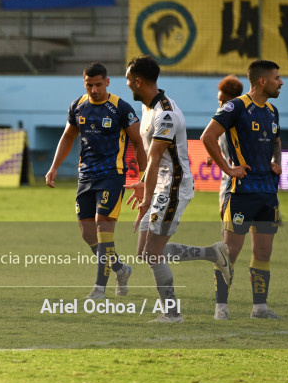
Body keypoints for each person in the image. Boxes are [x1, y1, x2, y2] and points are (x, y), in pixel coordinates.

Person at [125, 55, 231, 323]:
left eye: (128, 80)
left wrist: (147, 198)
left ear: (138, 81)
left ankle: (172, 314)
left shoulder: (166, 114)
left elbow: (155, 157)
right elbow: (154, 159)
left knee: (152, 253)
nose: (127, 85)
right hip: (160, 184)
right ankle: (212, 253)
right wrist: (144, 183)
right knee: (145, 253)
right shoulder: (150, 108)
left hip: (172, 187)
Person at [45, 62, 147, 299]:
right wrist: (54, 167)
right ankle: (121, 269)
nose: (94, 90)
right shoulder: (78, 106)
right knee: (87, 233)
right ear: (84, 84)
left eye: (98, 84)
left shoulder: (121, 108)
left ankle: (99, 287)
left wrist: (143, 177)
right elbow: (68, 136)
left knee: (103, 226)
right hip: (86, 176)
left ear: (107, 82)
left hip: (112, 175)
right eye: (89, 85)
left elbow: (138, 142)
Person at [200, 60, 284, 321]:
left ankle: (259, 308)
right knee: (230, 251)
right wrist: (228, 169)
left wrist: (277, 162)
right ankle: (221, 308)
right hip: (241, 192)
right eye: (277, 78)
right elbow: (207, 136)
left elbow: (277, 141)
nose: (281, 82)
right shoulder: (236, 106)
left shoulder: (272, 111)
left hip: (268, 193)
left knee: (263, 252)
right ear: (262, 81)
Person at [205, 75, 244, 216]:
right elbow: (215, 138)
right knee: (225, 212)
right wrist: (212, 155)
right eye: (219, 100)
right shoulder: (220, 115)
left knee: (227, 211)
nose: (221, 105)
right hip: (227, 172)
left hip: (240, 171)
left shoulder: (243, 117)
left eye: (224, 101)